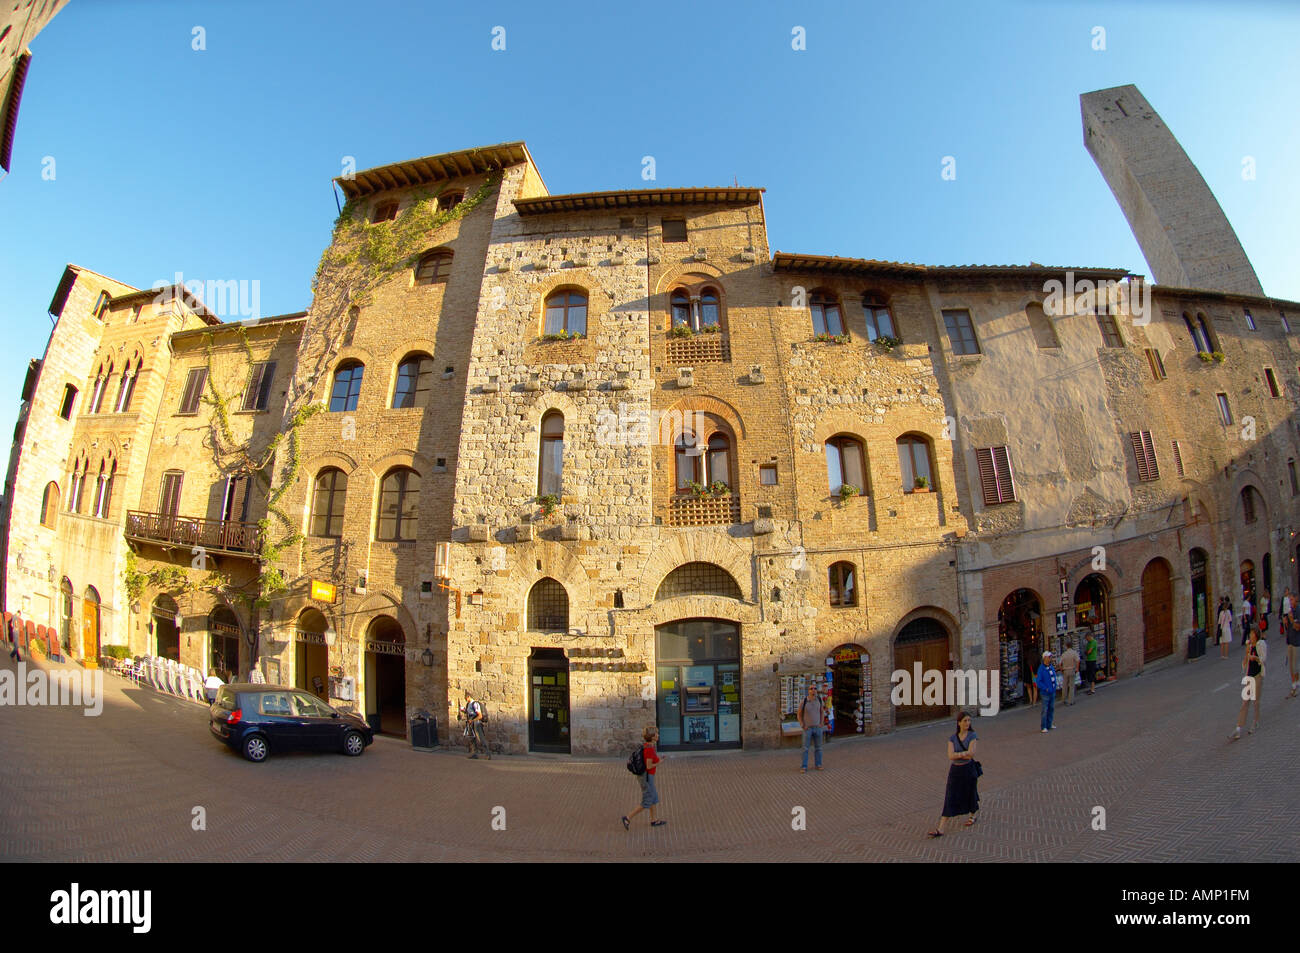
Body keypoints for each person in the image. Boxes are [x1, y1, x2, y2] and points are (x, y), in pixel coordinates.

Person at [926, 711, 979, 837]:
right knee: (950, 796)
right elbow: (950, 756)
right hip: (955, 770)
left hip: (968, 769)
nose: (967, 723)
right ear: (959, 723)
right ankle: (941, 828)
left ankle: (973, 815)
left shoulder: (973, 735)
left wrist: (958, 754)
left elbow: (971, 754)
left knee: (970, 792)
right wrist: (963, 754)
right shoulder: (952, 738)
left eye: (969, 721)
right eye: (965, 721)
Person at [623, 726, 666, 829]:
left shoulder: (647, 746)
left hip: (647, 777)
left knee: (653, 797)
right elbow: (649, 766)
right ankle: (628, 818)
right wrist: (659, 762)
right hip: (646, 778)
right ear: (652, 737)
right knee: (647, 801)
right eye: (656, 734)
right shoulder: (649, 749)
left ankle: (654, 820)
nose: (658, 735)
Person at [1229, 626, 1267, 741]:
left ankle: (1255, 722)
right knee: (1245, 702)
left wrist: (1254, 658)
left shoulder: (1261, 645)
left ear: (1256, 635)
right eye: (1249, 634)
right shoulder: (1249, 646)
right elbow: (1244, 663)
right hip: (1249, 676)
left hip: (1257, 676)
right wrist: (1246, 654)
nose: (1250, 636)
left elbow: (1263, 659)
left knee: (1255, 701)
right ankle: (1238, 728)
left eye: (1251, 634)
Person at [798, 683, 825, 773]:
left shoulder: (819, 700)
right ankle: (804, 766)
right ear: (808, 691)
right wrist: (802, 725)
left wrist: (821, 723)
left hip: (817, 728)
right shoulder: (804, 701)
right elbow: (799, 714)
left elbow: (822, 712)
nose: (813, 690)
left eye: (815, 688)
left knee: (818, 748)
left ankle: (818, 764)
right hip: (808, 729)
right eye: (811, 688)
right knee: (805, 748)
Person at [461, 690, 491, 759]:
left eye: (466, 698)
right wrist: (463, 710)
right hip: (471, 722)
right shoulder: (469, 705)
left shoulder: (475, 704)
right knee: (472, 738)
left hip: (476, 722)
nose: (465, 699)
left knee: (480, 738)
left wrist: (473, 720)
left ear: (468, 697)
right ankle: (474, 753)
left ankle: (487, 754)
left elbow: (479, 715)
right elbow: (469, 713)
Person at [1036, 649, 1057, 731]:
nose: (1050, 658)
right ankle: (1043, 726)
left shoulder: (1051, 667)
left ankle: (1049, 723)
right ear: (1045, 658)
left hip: (1052, 691)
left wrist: (1054, 687)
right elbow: (1038, 681)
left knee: (1051, 708)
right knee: (1045, 709)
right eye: (1049, 657)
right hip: (1046, 693)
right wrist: (1046, 688)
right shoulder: (1041, 669)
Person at [1059, 640, 1080, 706]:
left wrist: (1061, 669)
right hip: (1072, 669)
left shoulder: (1064, 654)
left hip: (1065, 670)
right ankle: (1071, 701)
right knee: (1071, 686)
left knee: (1064, 685)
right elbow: (1078, 661)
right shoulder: (1074, 653)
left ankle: (1063, 699)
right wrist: (1077, 668)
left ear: (1066, 646)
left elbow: (1060, 663)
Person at [1286, 612, 1300, 699]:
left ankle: (1296, 686)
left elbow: (1297, 628)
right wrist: (1286, 622)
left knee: (1295, 666)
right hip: (1290, 642)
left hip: (1296, 643)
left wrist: (1291, 620)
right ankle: (1294, 685)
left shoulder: (1298, 611)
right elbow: (1288, 628)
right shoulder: (1290, 612)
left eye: (1291, 600)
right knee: (1291, 666)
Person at [1022, 640, 1039, 705]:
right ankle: (1034, 701)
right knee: (1035, 689)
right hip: (1035, 675)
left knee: (1029, 688)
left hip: (1028, 676)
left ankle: (1030, 700)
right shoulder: (1037, 659)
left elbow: (1025, 669)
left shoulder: (1027, 660)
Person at [1083, 630, 1099, 694]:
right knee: (1089, 674)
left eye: (1087, 638)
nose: (1086, 639)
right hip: (1088, 660)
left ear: (1089, 636)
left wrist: (1086, 652)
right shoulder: (1089, 643)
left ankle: (1092, 689)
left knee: (1092, 674)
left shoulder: (1093, 642)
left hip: (1092, 660)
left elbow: (1089, 651)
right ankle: (1090, 688)